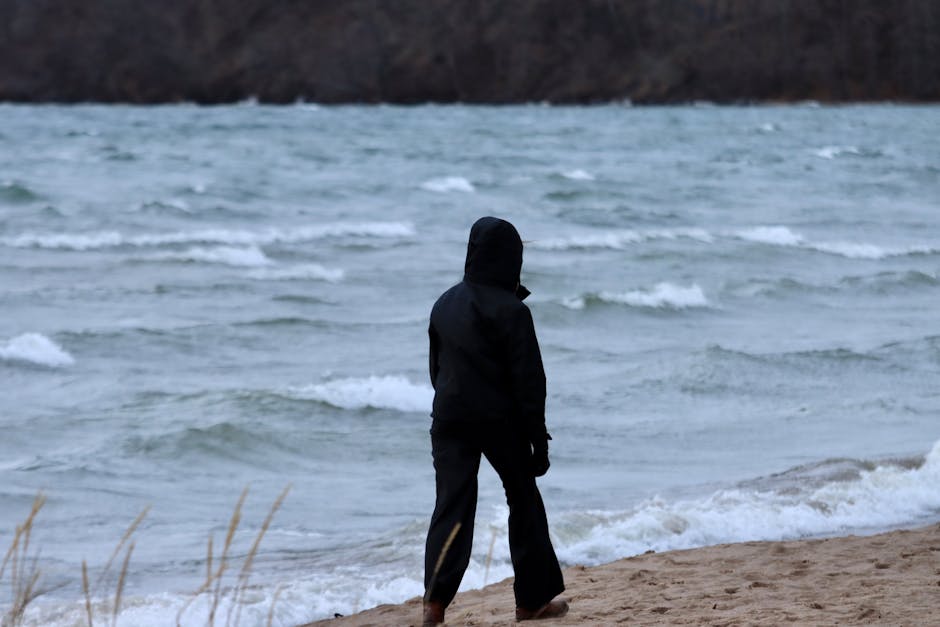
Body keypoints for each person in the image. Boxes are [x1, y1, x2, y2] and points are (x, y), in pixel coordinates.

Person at [423, 217, 568, 626]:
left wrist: (451, 405)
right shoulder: (513, 311)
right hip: (497, 420)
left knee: (451, 506)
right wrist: (538, 443)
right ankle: (531, 603)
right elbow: (530, 383)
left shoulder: (443, 303)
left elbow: (436, 370)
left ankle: (433, 607)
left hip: (448, 417)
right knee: (523, 498)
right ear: (510, 258)